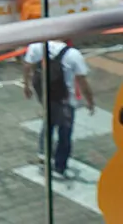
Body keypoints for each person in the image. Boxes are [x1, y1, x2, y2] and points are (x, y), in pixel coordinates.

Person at [23, 39, 96, 178]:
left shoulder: (36, 47)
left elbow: (27, 66)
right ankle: (59, 166)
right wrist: (90, 101)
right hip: (65, 99)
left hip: (45, 95)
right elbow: (82, 81)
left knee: (48, 124)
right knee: (65, 132)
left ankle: (43, 155)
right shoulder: (73, 54)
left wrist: (26, 86)